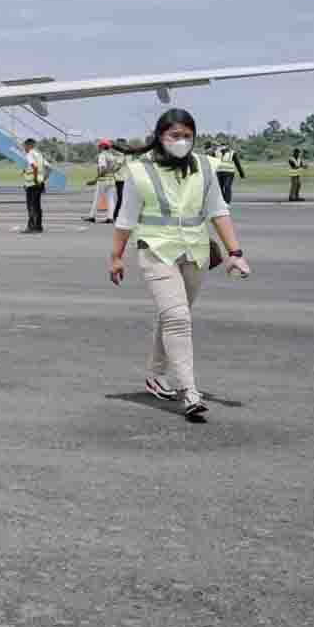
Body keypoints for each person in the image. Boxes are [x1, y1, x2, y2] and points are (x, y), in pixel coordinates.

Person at [110, 109, 251, 420]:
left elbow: (218, 211)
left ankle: (155, 374)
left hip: (195, 253)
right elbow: (125, 219)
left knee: (175, 315)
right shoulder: (139, 171)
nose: (182, 141)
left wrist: (235, 252)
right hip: (156, 252)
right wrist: (116, 256)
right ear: (161, 137)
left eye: (187, 136)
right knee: (177, 318)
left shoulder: (204, 166)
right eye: (175, 135)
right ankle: (189, 391)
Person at [86, 139, 122, 223]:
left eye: (99, 146)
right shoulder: (112, 156)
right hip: (112, 179)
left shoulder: (102, 155)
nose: (98, 147)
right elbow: (116, 168)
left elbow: (103, 168)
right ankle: (110, 218)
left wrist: (95, 179)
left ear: (102, 146)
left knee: (97, 199)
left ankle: (92, 216)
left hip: (103, 180)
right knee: (111, 200)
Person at [21, 138, 47, 233]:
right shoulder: (39, 155)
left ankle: (32, 227)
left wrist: (35, 179)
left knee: (31, 206)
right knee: (37, 206)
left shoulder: (30, 154)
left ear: (29, 145)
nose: (24, 148)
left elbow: (34, 167)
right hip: (39, 183)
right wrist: (42, 180)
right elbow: (48, 168)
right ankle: (38, 226)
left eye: (25, 146)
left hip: (32, 184)